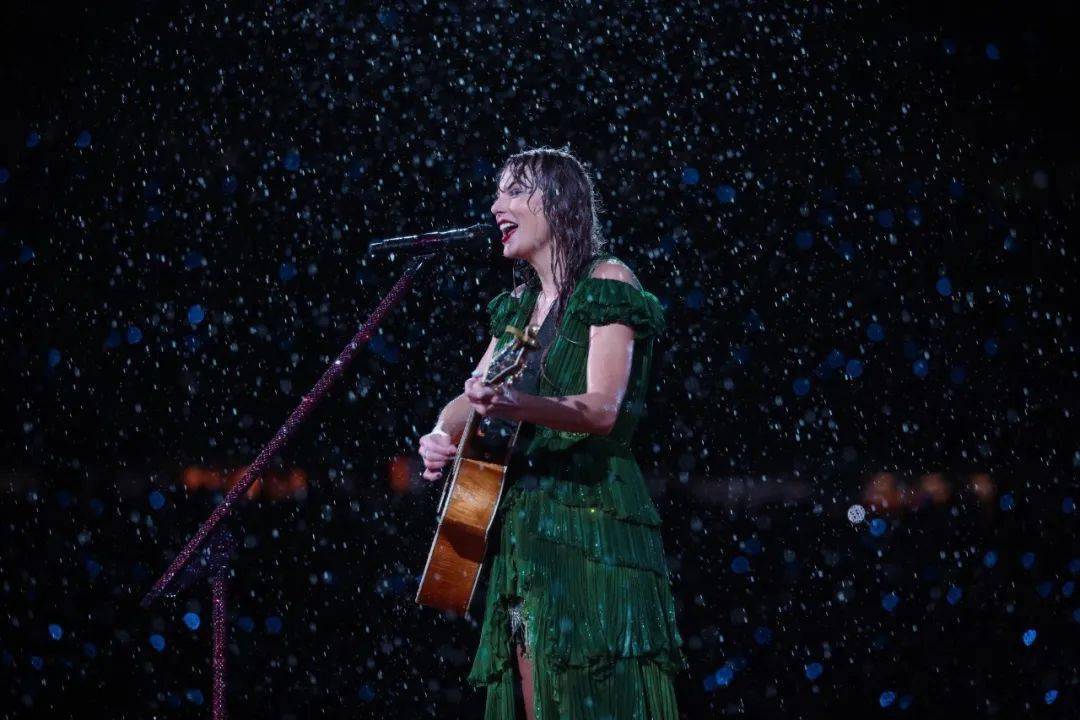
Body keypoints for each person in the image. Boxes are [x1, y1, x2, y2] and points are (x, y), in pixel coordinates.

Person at [417, 146, 685, 719]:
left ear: (558, 202)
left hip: (592, 521)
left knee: (598, 694)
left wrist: (516, 403)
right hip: (523, 530)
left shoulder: (606, 281)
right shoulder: (518, 309)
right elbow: (470, 399)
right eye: (497, 191)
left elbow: (601, 408)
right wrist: (441, 431)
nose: (496, 206)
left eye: (514, 191)